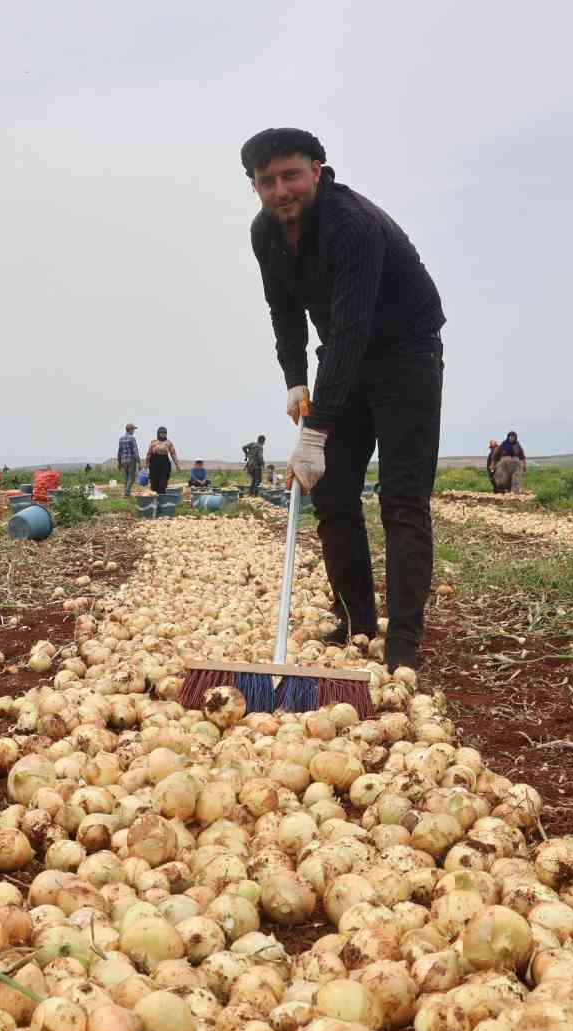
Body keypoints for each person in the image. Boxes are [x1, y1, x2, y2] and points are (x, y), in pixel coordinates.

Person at [244, 127, 445, 670]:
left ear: (318, 169)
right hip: (343, 355)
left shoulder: (352, 225)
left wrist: (315, 433)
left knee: (402, 499)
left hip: (405, 353)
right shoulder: (266, 235)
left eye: (291, 175)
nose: (281, 190)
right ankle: (357, 624)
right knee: (331, 494)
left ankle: (404, 645)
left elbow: (353, 330)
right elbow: (284, 312)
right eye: (268, 182)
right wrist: (294, 377)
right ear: (255, 187)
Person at [145, 427, 179, 493]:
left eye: (164, 433)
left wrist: (176, 464)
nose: (163, 434)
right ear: (158, 433)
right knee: (154, 480)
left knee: (163, 480)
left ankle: (162, 496)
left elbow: (173, 453)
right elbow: (149, 454)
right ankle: (154, 496)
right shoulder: (153, 442)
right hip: (154, 461)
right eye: (161, 433)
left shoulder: (168, 443)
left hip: (164, 462)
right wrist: (146, 465)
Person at [117, 423, 140, 497]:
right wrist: (139, 461)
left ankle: (126, 492)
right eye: (133, 429)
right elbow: (135, 450)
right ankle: (126, 493)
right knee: (132, 478)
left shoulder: (121, 438)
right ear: (130, 429)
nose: (134, 431)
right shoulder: (132, 438)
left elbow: (119, 451)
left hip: (123, 461)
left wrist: (119, 462)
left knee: (127, 477)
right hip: (131, 460)